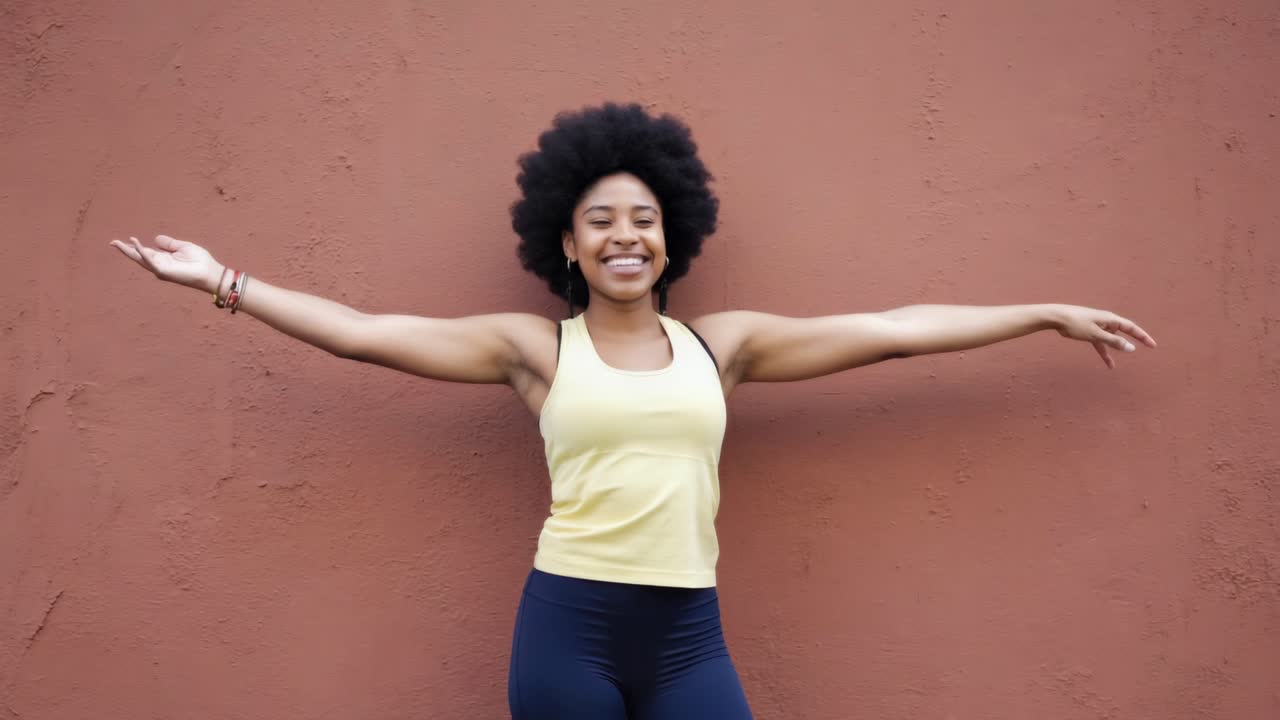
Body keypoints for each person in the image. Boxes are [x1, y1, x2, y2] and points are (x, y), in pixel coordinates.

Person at [109, 102, 1156, 719]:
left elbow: (891, 327)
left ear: (671, 238)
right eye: (598, 220)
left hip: (689, 637)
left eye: (643, 220)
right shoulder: (532, 350)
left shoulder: (725, 346)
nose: (623, 235)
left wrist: (1042, 313)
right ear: (564, 244)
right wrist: (221, 282)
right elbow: (363, 332)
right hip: (569, 627)